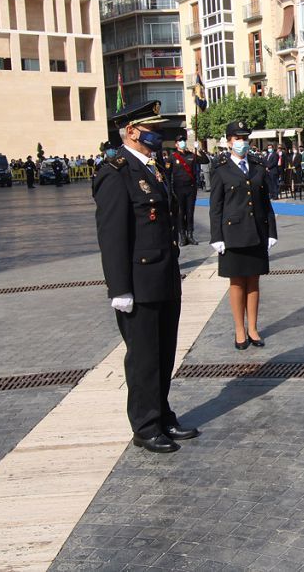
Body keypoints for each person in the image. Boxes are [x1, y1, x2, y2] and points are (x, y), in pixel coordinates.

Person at [92, 101, 199, 454]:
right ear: (132, 131)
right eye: (152, 128)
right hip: (138, 282)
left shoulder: (153, 167)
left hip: (164, 276)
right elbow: (112, 236)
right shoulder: (115, 172)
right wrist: (119, 288)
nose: (160, 134)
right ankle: (145, 424)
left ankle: (163, 413)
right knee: (143, 357)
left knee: (165, 352)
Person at [209, 122, 278, 349]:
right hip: (233, 233)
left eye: (245, 138)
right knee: (237, 283)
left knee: (254, 281)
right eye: (238, 138)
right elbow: (216, 206)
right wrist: (216, 236)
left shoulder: (257, 166)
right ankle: (240, 330)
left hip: (257, 231)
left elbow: (265, 202)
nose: (243, 142)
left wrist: (271, 231)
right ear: (229, 141)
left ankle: (253, 328)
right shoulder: (221, 168)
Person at [170, 137, 207, 246]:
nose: (182, 143)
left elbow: (205, 160)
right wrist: (170, 190)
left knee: (190, 212)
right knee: (181, 213)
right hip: (178, 189)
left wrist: (199, 149)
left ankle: (190, 234)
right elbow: (167, 173)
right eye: (180, 141)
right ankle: (182, 236)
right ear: (176, 144)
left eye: (183, 141)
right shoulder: (172, 157)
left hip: (190, 188)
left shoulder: (191, 155)